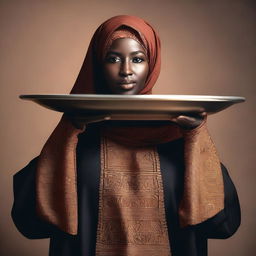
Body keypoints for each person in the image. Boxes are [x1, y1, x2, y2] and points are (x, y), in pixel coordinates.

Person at [12, 15, 240, 256]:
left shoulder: (182, 145)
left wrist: (196, 136)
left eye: (138, 59)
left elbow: (222, 223)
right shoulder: (73, 146)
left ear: (152, 63)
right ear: (98, 64)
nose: (126, 71)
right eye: (113, 59)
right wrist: (67, 132)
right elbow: (30, 222)